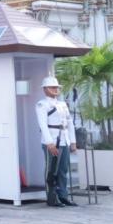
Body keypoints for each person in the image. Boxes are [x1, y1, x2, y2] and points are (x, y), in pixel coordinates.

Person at [36, 76, 78, 207]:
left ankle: (63, 196)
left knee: (63, 170)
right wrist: (49, 143)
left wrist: (73, 141)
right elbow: (43, 125)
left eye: (57, 87)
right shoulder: (42, 104)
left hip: (64, 140)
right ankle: (52, 197)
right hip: (52, 141)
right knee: (51, 170)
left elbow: (69, 123)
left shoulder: (62, 104)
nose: (55, 89)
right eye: (52, 87)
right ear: (45, 89)